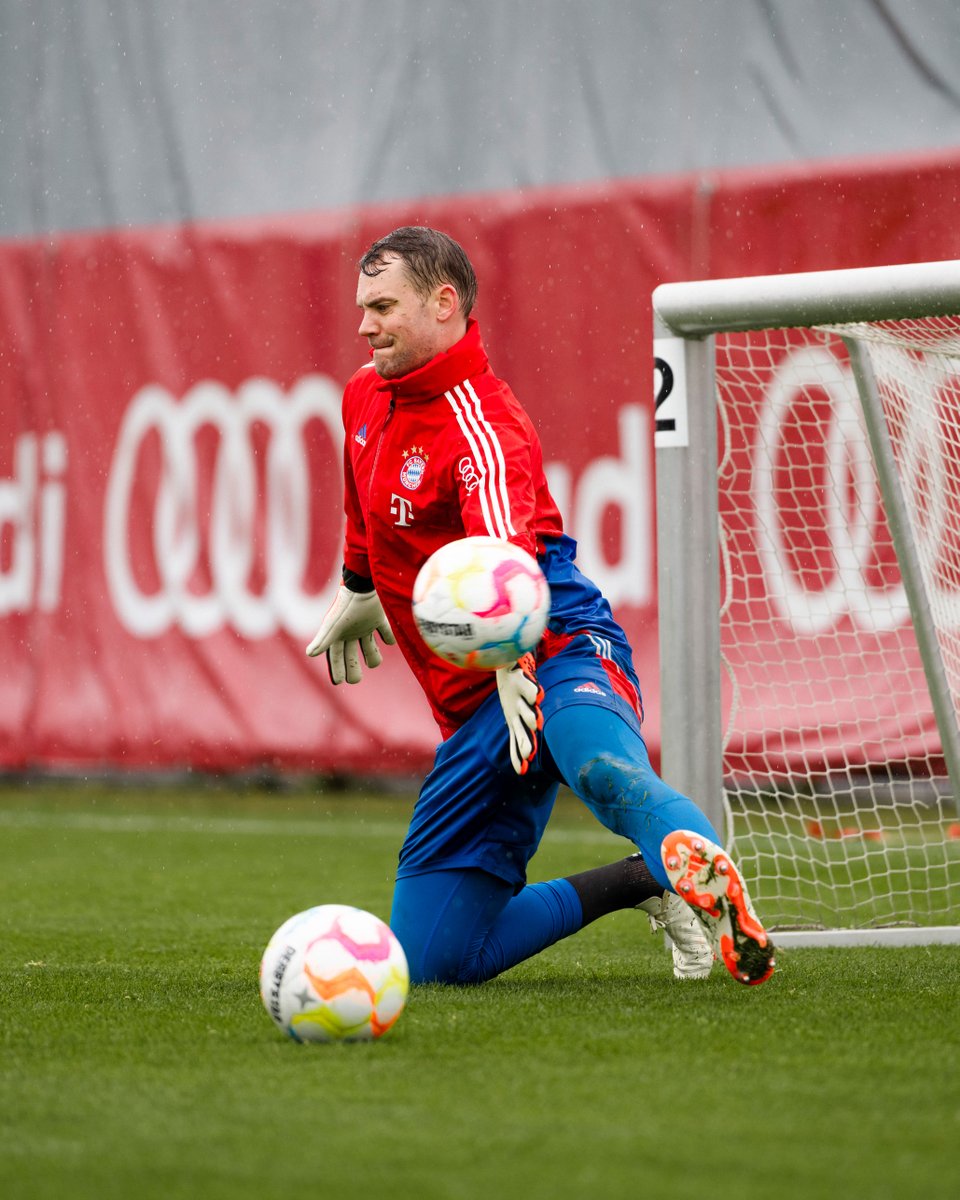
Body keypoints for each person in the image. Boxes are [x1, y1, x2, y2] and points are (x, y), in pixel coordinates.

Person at [307, 226, 775, 988]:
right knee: (433, 962)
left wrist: (514, 661)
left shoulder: (483, 424)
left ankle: (711, 885)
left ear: (444, 304)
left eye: (383, 306)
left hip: (551, 652)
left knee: (599, 768)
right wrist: (359, 583)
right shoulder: (364, 392)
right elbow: (364, 502)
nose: (365, 324)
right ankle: (644, 880)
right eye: (362, 306)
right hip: (474, 704)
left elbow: (504, 565)